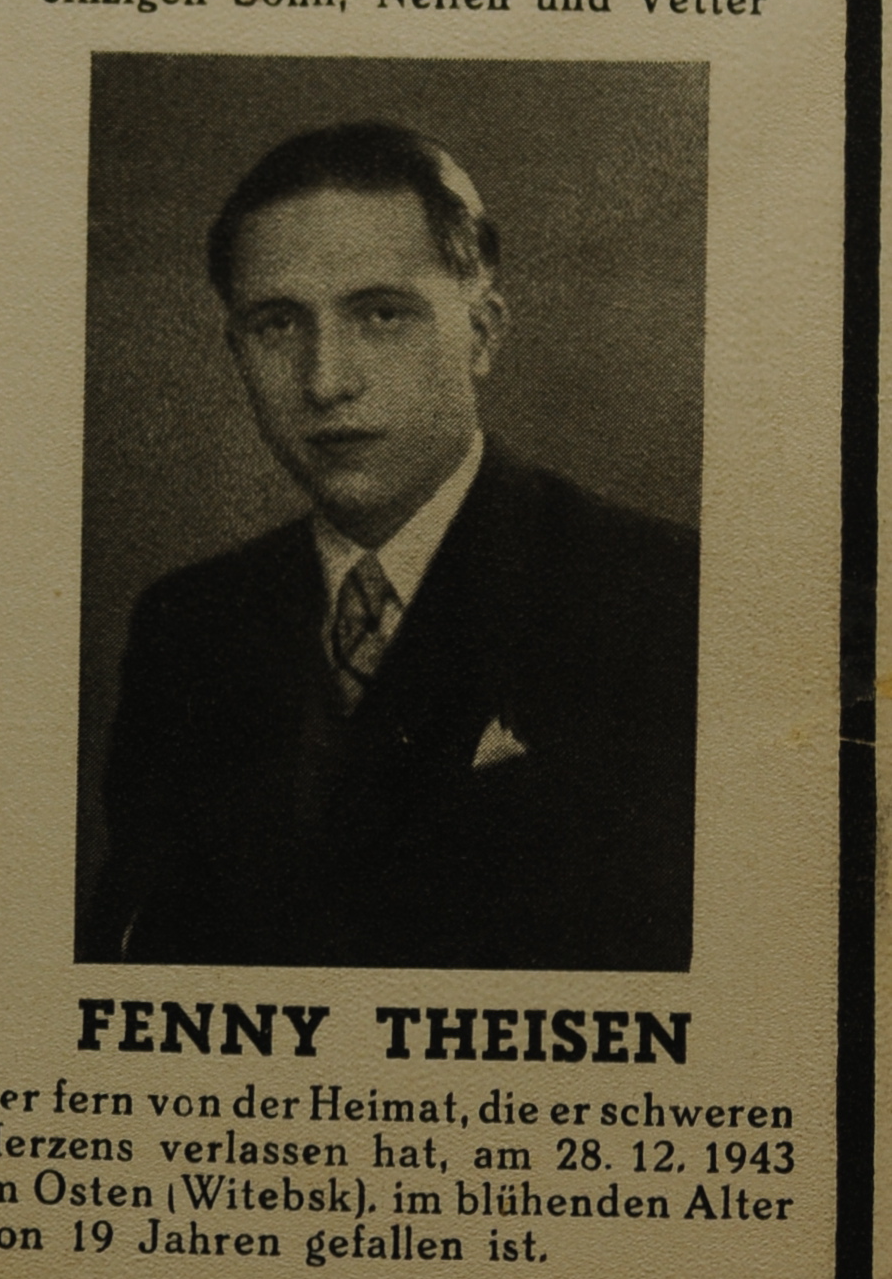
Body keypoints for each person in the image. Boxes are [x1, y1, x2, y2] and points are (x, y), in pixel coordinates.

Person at [85, 120, 698, 969]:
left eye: (381, 314)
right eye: (277, 325)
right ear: (235, 351)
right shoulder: (187, 626)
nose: (326, 380)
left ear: (482, 333)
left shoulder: (660, 595)